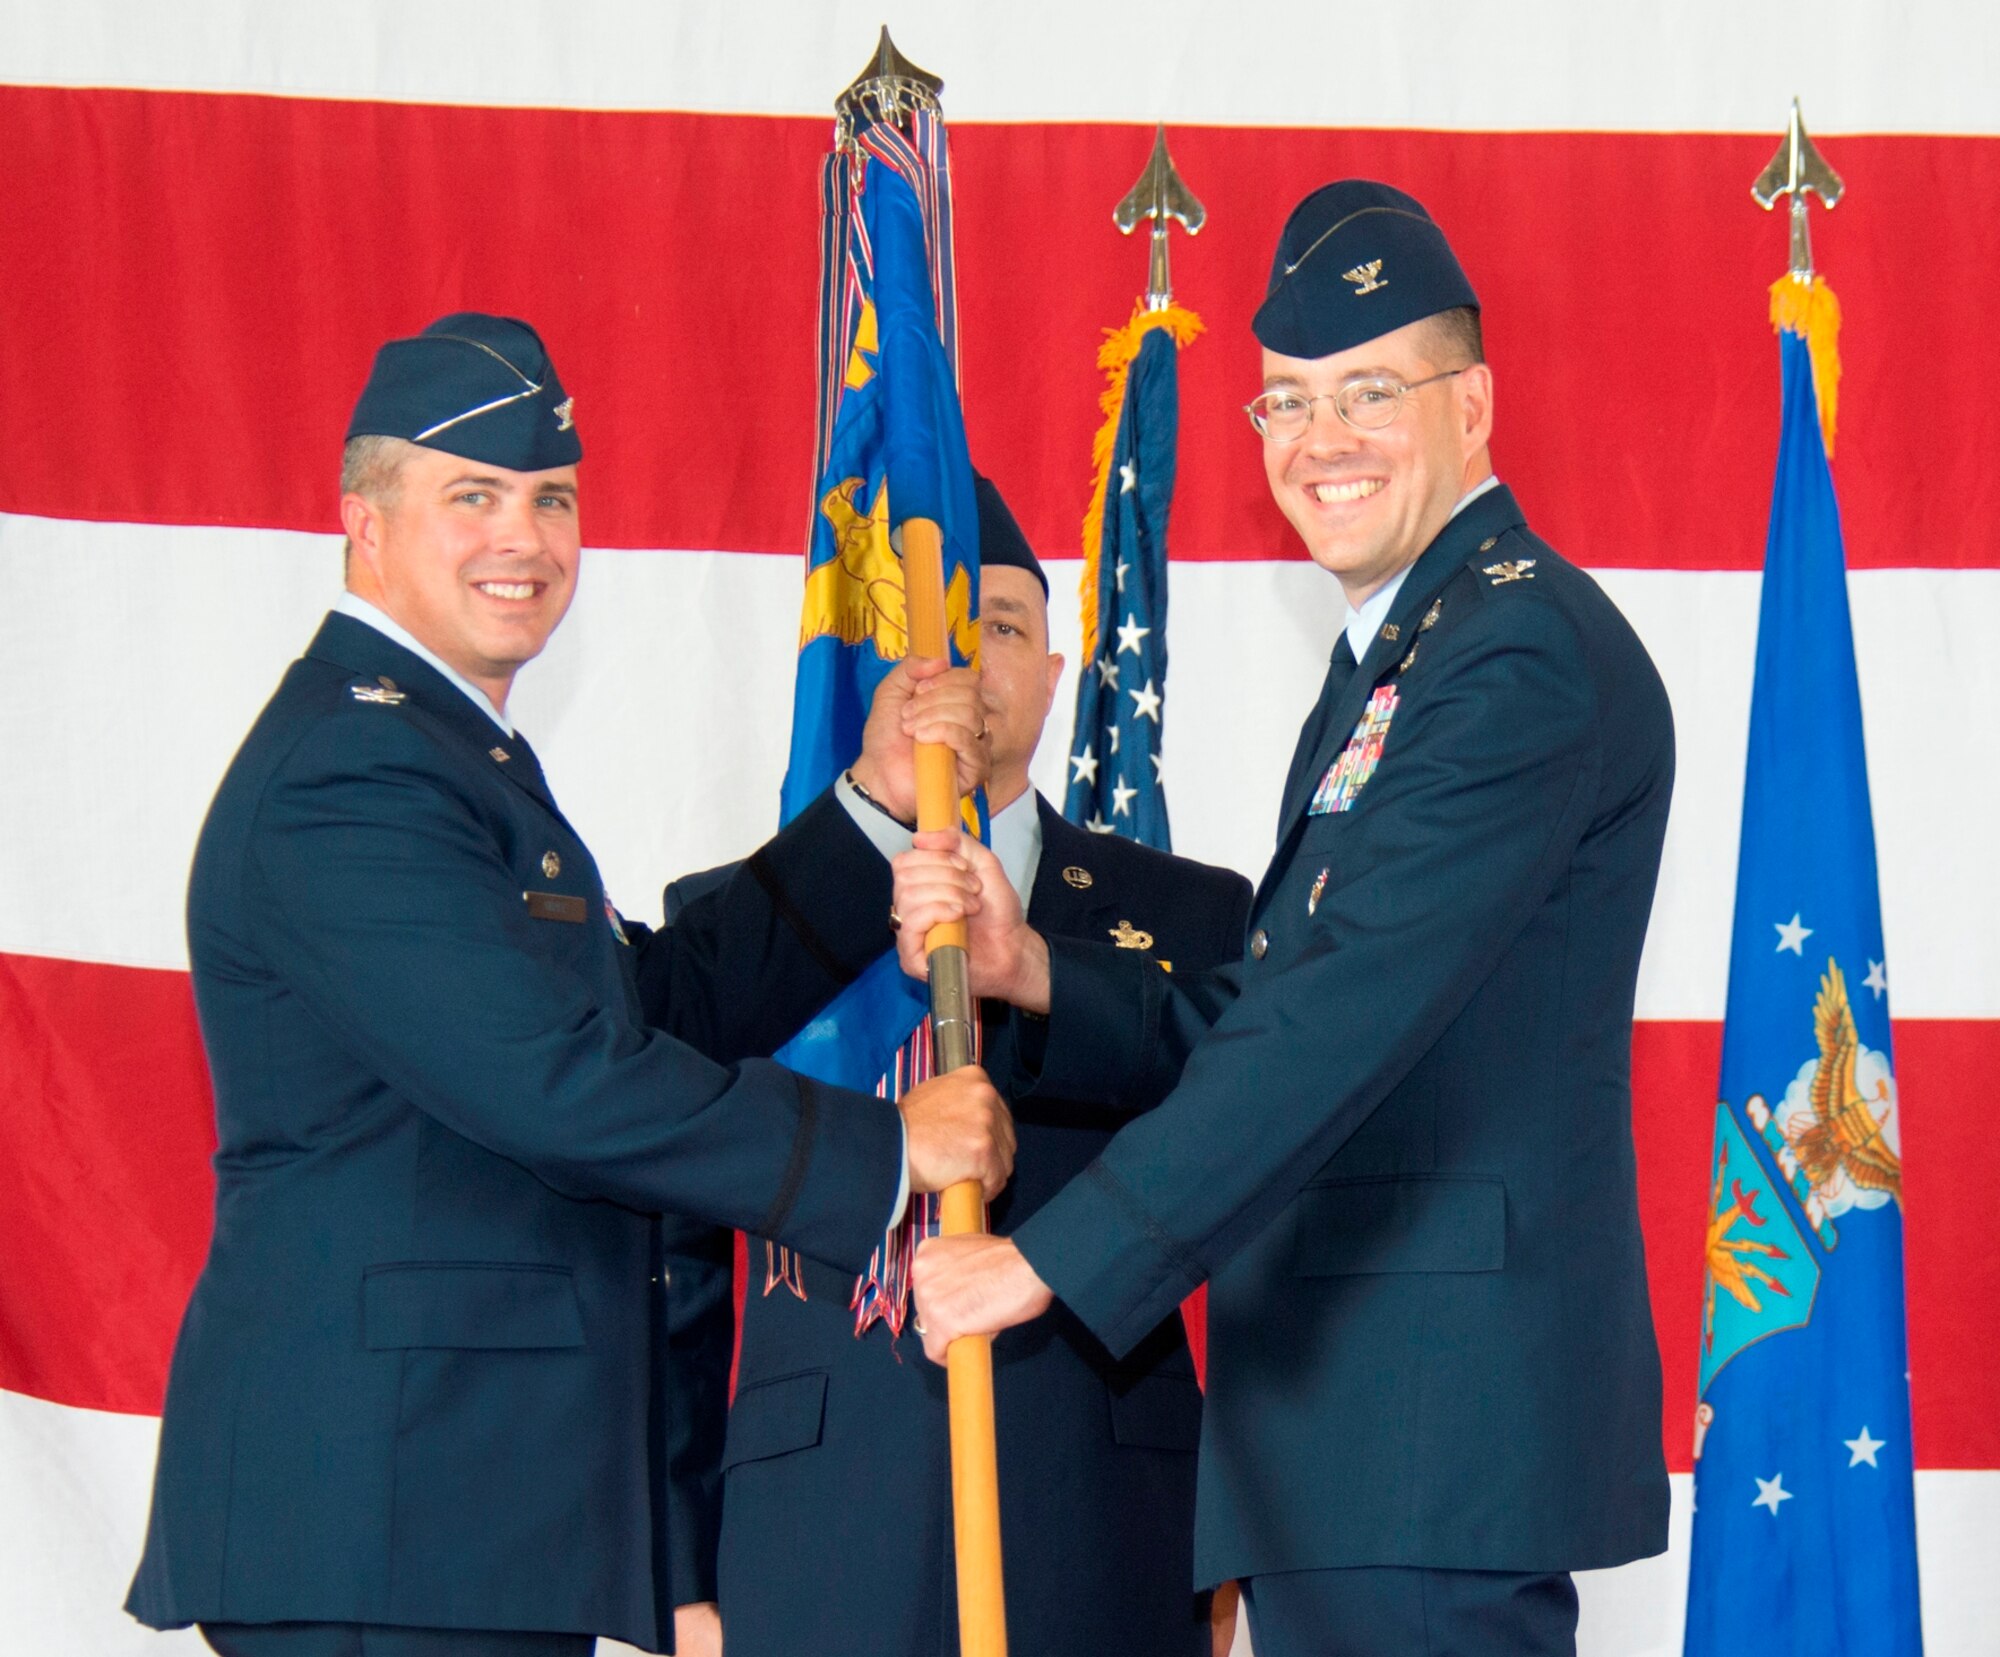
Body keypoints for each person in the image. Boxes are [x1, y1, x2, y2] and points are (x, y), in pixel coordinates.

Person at [124, 313, 1013, 1657]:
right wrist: (886, 1149)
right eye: (471, 495)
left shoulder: (447, 758)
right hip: (388, 1512)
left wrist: (876, 807)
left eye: (554, 499)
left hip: (457, 1510)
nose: (524, 539)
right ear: (362, 521)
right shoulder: (348, 776)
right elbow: (558, 1082)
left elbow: (638, 1014)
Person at [899, 182, 1676, 1657]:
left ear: (1477, 404)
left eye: (1369, 391)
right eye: (1283, 405)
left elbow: (1336, 1019)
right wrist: (1033, 973)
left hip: (1427, 1427)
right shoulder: (1406, 651)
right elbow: (1281, 994)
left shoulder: (1514, 655)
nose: (1321, 443)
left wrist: (1052, 1259)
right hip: (1356, 1425)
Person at [693, 475, 1252, 1657]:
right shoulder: (744, 928)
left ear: (1054, 676)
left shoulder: (1189, 918)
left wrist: (1236, 1539)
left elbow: (1242, 1190)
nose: (959, 661)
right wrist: (676, 1566)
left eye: (997, 625)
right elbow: (681, 1249)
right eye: (923, 629)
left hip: (1101, 1509)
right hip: (812, 1521)